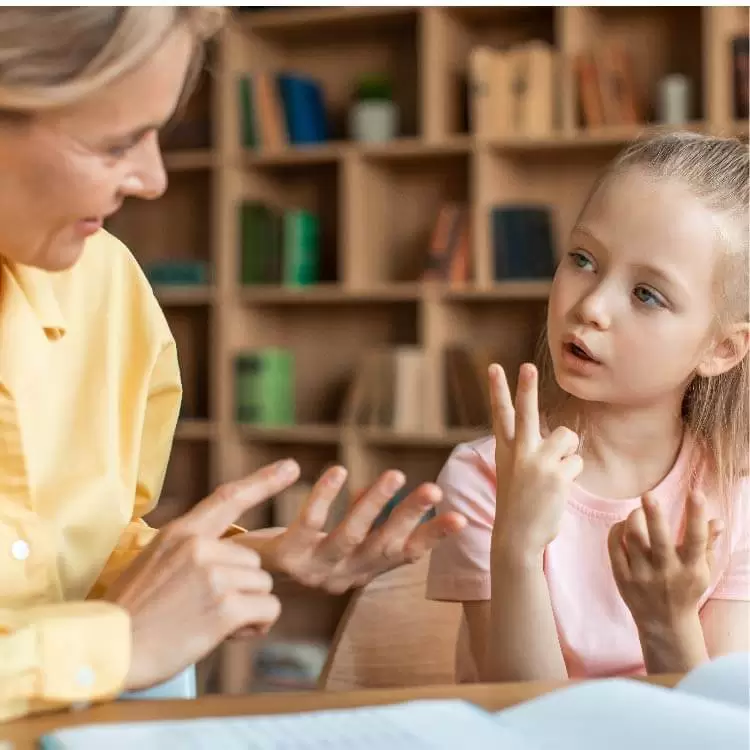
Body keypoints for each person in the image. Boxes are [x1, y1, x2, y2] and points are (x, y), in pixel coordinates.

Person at [0, 8, 467, 723]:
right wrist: (113, 645)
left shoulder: (107, 287)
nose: (153, 179)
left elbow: (60, 558)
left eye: (158, 132)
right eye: (117, 141)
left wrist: (239, 560)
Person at [426, 131, 750, 683]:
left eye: (648, 294)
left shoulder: (735, 492)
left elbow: (718, 727)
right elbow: (528, 715)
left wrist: (667, 623)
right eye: (582, 259)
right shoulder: (485, 475)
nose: (591, 306)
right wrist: (517, 549)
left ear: (721, 349)